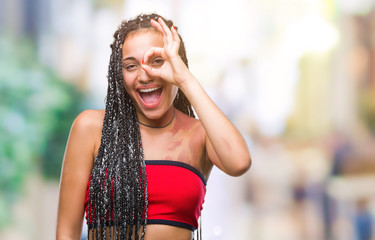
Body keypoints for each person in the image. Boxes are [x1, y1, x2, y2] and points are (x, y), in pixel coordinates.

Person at [56, 13, 251, 240]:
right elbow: (65, 234)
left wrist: (185, 79)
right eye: (131, 66)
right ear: (120, 76)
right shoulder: (91, 128)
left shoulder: (199, 134)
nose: (145, 75)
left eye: (157, 61)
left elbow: (239, 162)